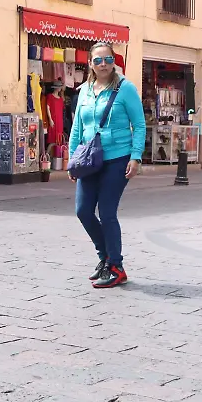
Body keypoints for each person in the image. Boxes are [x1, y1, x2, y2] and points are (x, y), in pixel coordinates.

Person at [67, 42, 147, 289]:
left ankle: (116, 266)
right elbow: (77, 127)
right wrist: (72, 159)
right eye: (98, 60)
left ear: (115, 61)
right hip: (90, 158)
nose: (103, 64)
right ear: (90, 63)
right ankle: (105, 257)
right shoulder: (85, 91)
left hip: (117, 158)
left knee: (107, 211)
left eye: (108, 59)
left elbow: (140, 125)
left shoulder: (126, 89)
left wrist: (136, 156)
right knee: (83, 210)